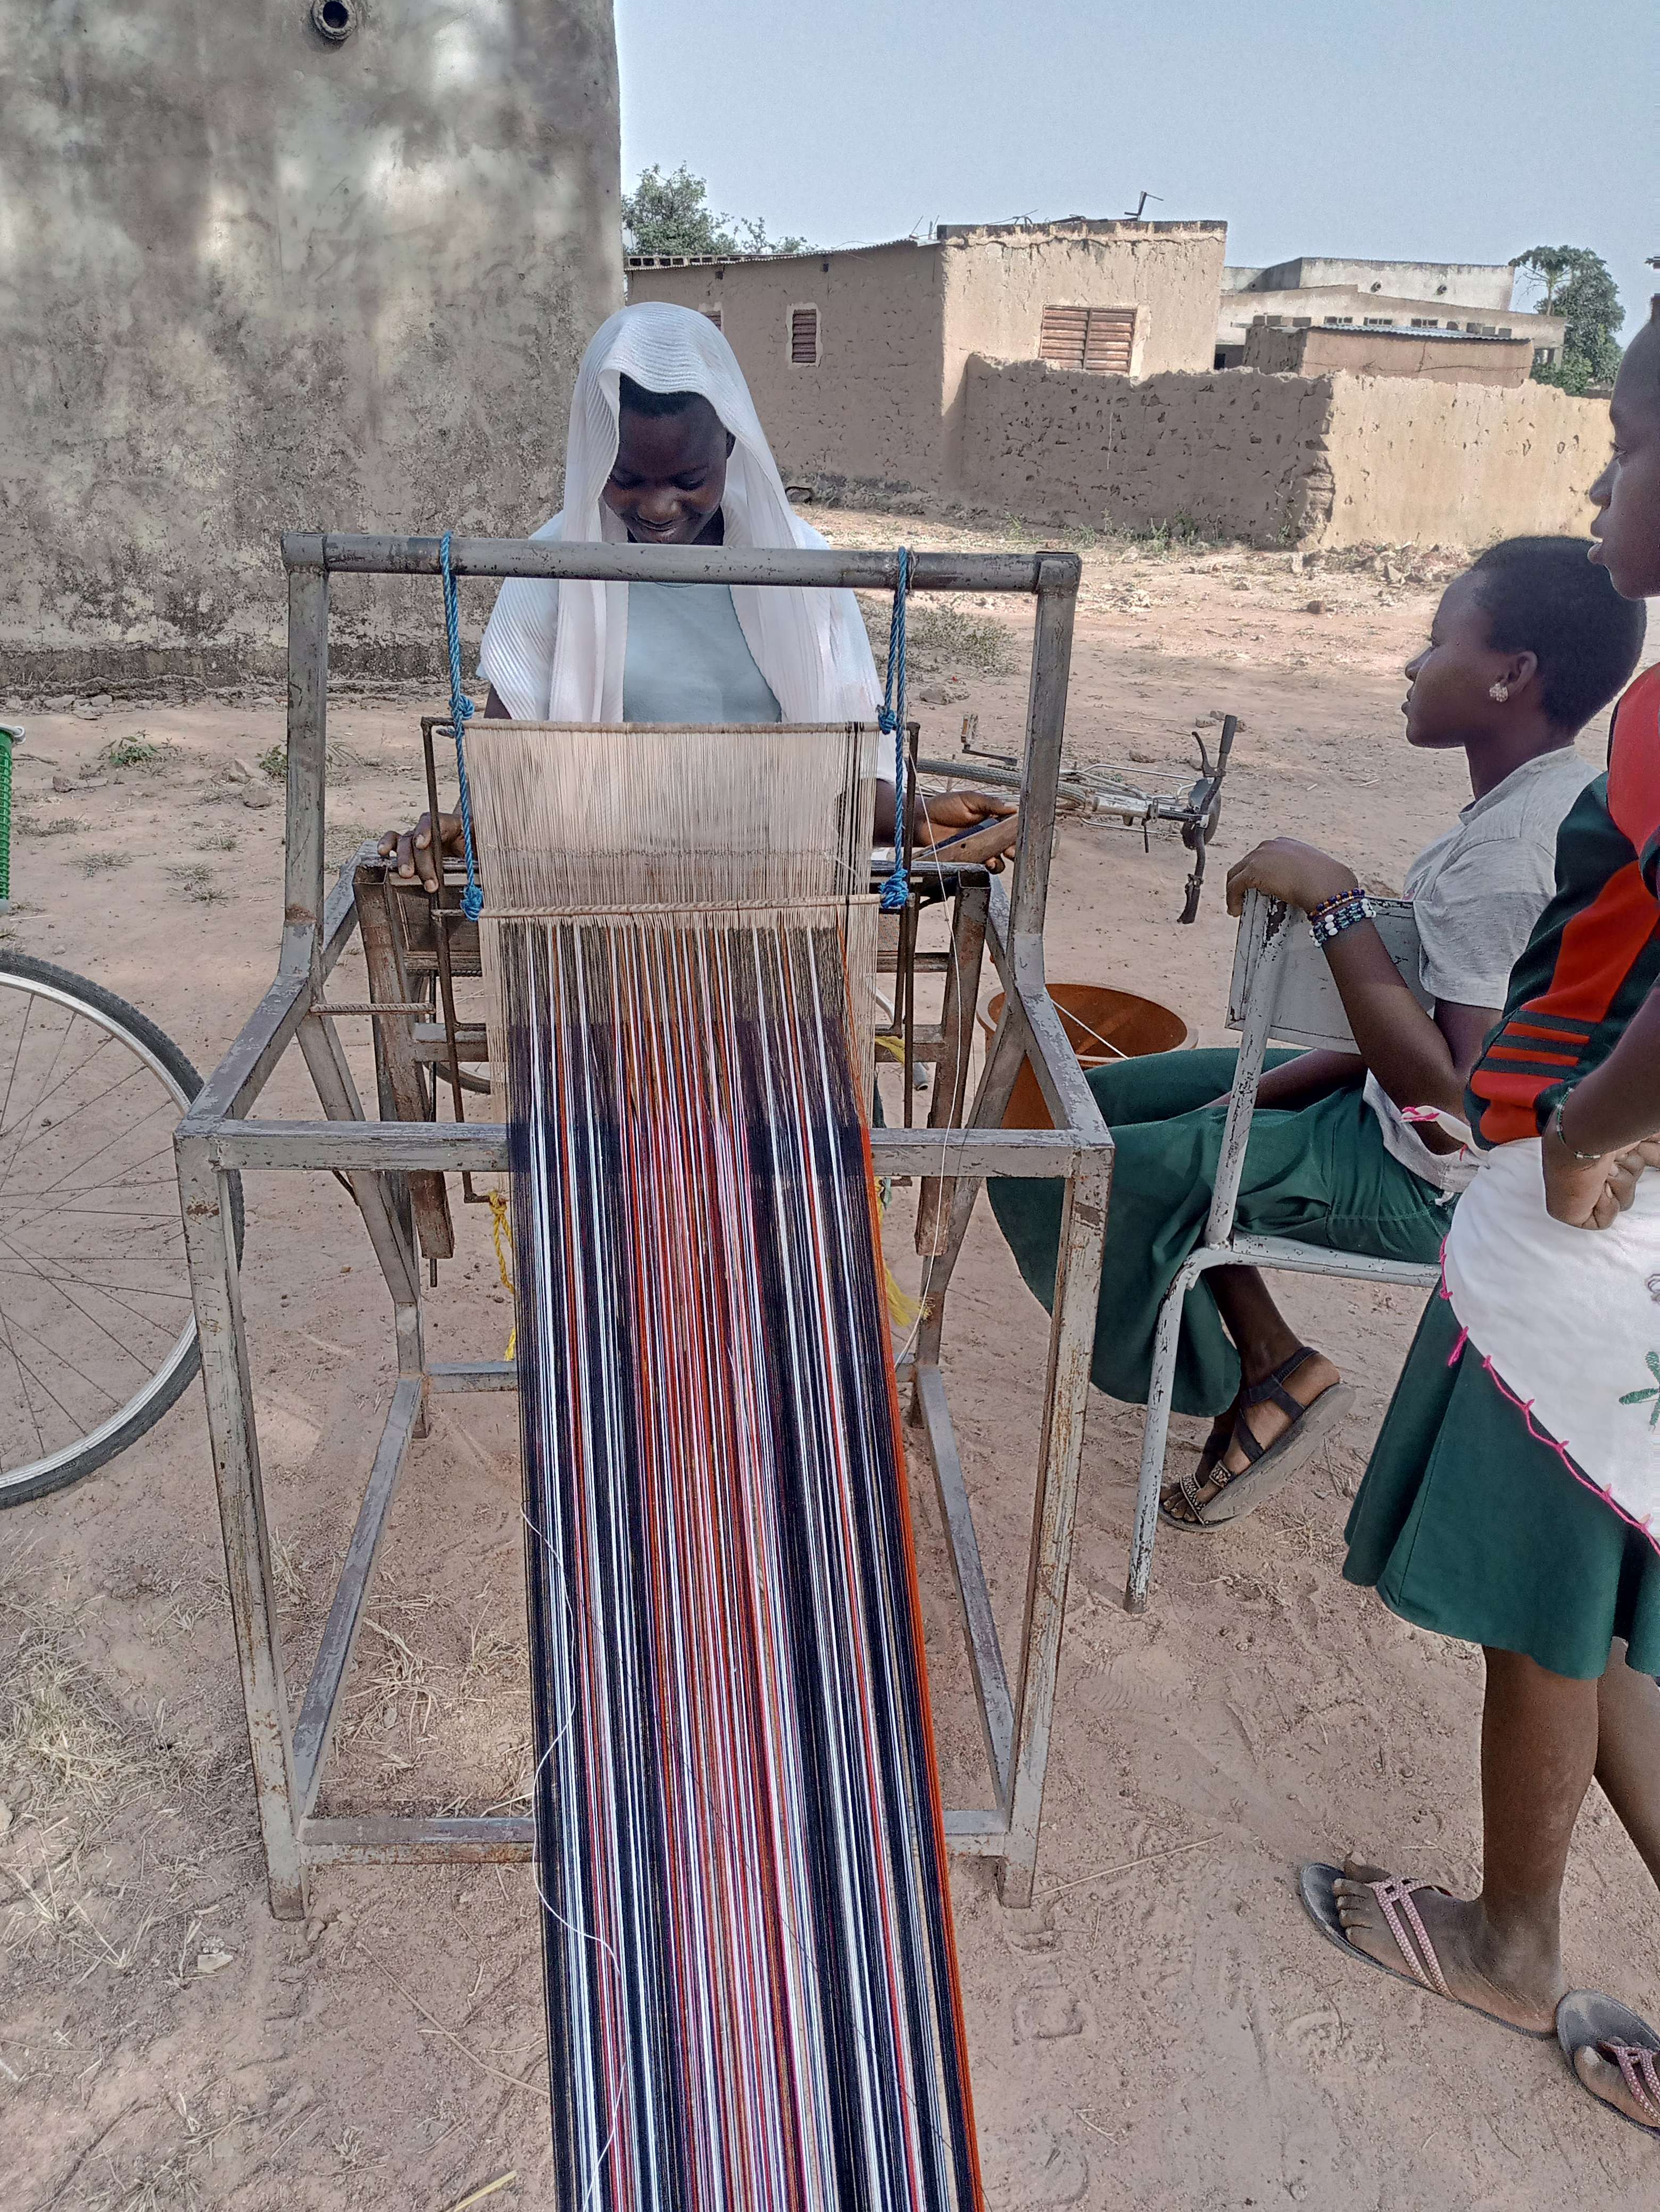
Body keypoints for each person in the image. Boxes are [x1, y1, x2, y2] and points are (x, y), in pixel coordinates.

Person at [1301, 298, 1660, 2138]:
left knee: (1547, 1598)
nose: (1608, 479)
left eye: (1628, 445)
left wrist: (1593, 1138)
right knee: (1591, 1602)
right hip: (1603, 1216)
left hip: (1587, 1224)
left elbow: (1492, 1061)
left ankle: (1516, 1935)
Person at [987, 535, 1645, 1529]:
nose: (1413, 666)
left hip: (1437, 1185)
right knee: (1098, 1112)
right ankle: (1272, 1364)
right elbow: (1416, 1047)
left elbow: (1452, 1110)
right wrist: (1248, 1095)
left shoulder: (1513, 854)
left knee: (1115, 1168)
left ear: (1512, 675)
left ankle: (1260, 1376)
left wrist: (1337, 907)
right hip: (1398, 1112)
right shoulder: (1524, 805)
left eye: (1436, 644)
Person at [379, 302, 1016, 884]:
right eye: (625, 478)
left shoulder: (800, 571)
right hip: (599, 900)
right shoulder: (553, 569)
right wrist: (459, 826)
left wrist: (917, 816)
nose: (656, 506)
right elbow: (507, 773)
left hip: (768, 903)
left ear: (731, 443)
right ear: (594, 452)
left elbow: (845, 781)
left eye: (689, 478)